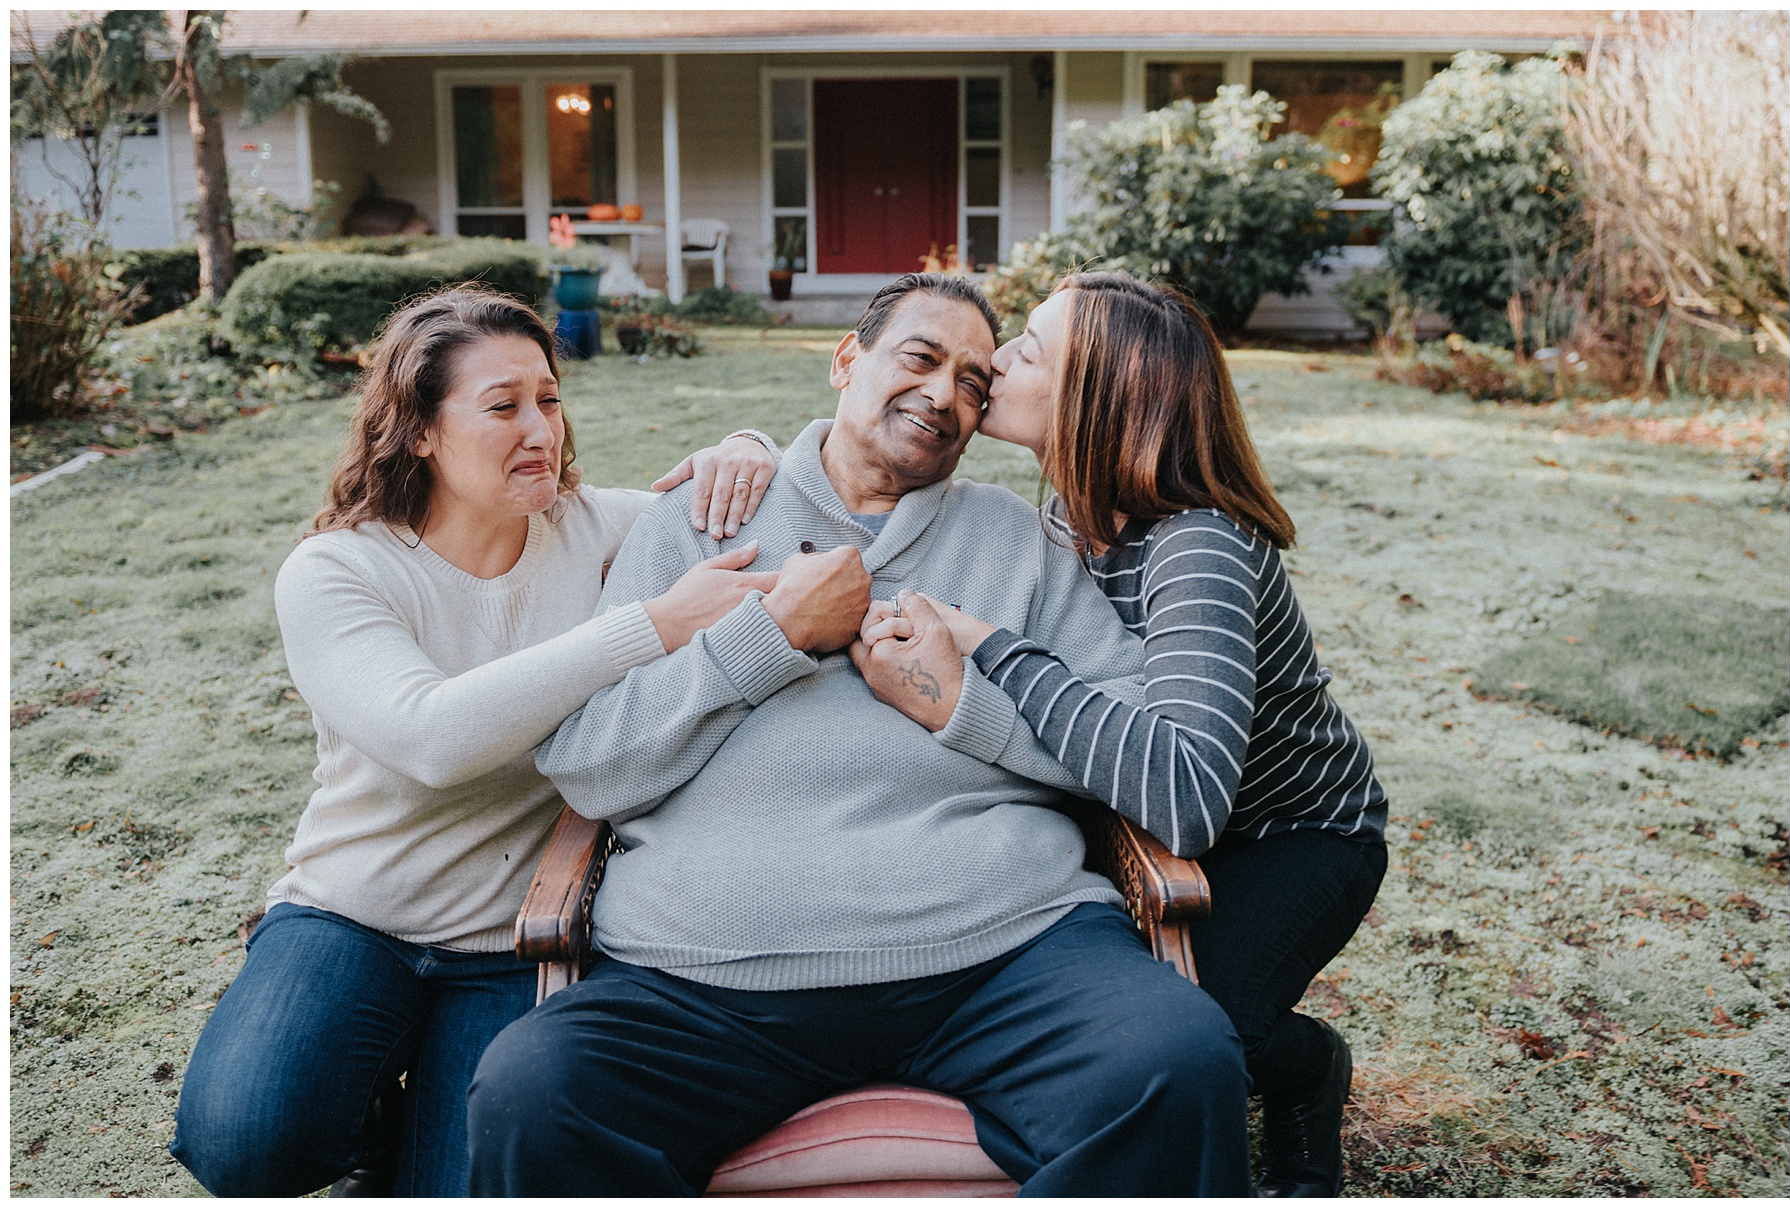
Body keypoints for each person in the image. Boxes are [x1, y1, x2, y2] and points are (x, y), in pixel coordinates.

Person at [466, 273, 1254, 1196]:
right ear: (847, 360)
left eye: (971, 381)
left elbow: (1134, 743)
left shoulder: (1019, 541)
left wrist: (965, 704)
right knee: (531, 1093)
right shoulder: (697, 523)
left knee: (1180, 1061)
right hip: (707, 979)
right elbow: (590, 770)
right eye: (919, 358)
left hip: (1003, 955)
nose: (942, 394)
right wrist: (769, 641)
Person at [169, 287, 791, 1198]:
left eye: (548, 398)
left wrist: (749, 448)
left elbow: (756, 510)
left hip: (509, 945)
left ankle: (392, 1146)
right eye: (502, 407)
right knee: (246, 1145)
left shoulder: (593, 529)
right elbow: (433, 737)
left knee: (475, 1186)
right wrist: (649, 626)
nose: (539, 429)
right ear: (418, 429)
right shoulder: (341, 570)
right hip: (354, 917)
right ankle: (361, 1102)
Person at [870, 272, 1389, 1197]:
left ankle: (1308, 1072)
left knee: (1206, 1031)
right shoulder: (1072, 515)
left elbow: (1188, 796)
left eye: (1029, 348)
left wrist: (999, 649)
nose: (997, 361)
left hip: (1293, 835)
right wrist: (745, 455)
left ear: (1096, 399)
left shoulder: (1196, 548)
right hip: (1144, 821)